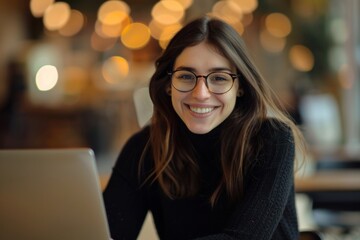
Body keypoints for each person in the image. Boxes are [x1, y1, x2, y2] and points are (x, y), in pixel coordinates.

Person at [103, 15, 307, 240]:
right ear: (169, 84)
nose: (200, 93)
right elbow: (106, 234)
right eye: (186, 76)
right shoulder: (144, 147)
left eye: (219, 78)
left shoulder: (272, 139)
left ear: (239, 87)